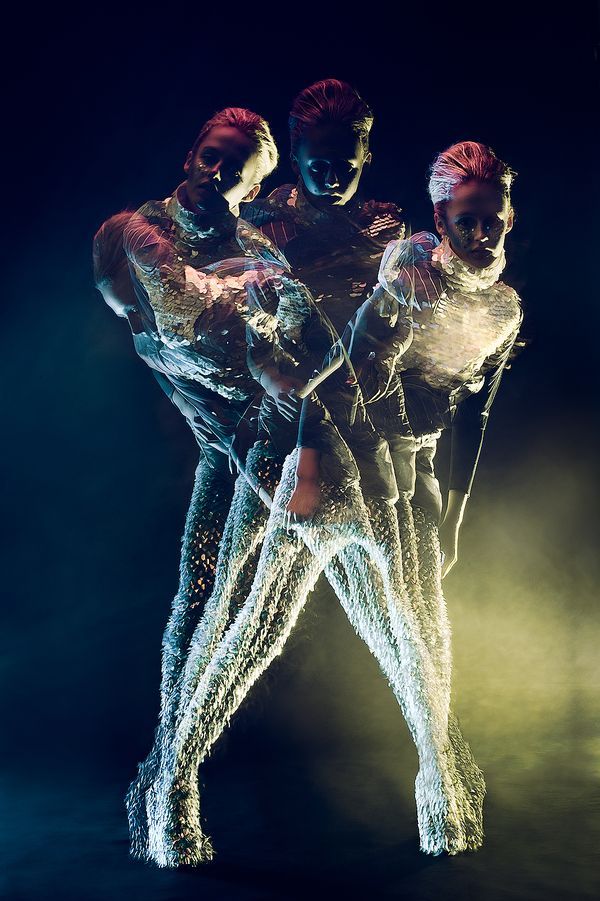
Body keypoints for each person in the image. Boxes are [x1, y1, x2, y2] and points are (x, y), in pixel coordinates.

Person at [143, 92, 484, 867]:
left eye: (346, 160)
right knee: (232, 618)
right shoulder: (259, 222)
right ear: (295, 154)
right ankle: (171, 788)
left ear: (367, 154)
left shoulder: (388, 226)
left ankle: (442, 790)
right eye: (317, 159)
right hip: (278, 444)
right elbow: (216, 318)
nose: (332, 172)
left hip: (361, 449)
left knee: (406, 625)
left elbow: (404, 336)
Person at [93, 107, 325, 860]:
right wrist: (198, 407)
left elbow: (298, 349)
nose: (214, 171)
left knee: (255, 607)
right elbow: (155, 335)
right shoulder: (126, 234)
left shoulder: (257, 255)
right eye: (210, 153)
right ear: (193, 150)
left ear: (252, 188)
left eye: (235, 170)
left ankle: (171, 777)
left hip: (268, 440)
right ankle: (171, 779)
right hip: (218, 443)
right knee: (201, 598)